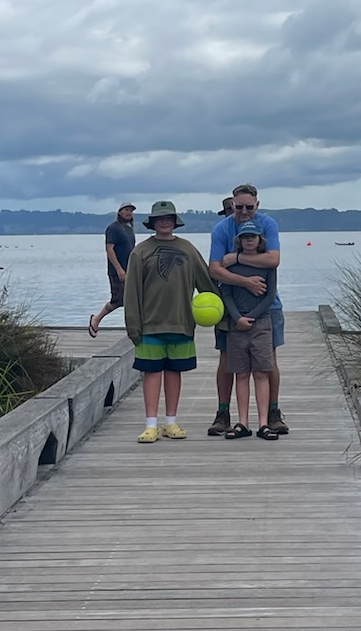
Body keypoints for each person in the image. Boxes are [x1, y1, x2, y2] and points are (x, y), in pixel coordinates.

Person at [123, 200, 219, 443]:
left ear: (175, 221)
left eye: (169, 218)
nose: (164, 221)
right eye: (159, 218)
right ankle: (151, 424)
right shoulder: (140, 251)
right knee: (152, 373)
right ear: (153, 222)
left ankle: (171, 422)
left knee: (175, 372)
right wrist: (133, 324)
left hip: (181, 322)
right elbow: (131, 291)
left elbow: (206, 285)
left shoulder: (188, 249)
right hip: (149, 324)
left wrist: (224, 311)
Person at [206, 183, 288, 436]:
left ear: (257, 205)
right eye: (238, 206)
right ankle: (223, 413)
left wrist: (238, 259)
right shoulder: (222, 228)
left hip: (267, 307)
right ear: (232, 204)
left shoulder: (268, 224)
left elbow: (273, 260)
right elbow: (215, 268)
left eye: (249, 207)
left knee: (268, 360)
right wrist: (245, 281)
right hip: (232, 307)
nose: (243, 211)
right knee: (227, 359)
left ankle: (272, 413)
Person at [219, 220, 279, 440]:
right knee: (241, 374)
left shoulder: (268, 266)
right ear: (240, 241)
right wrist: (237, 318)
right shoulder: (231, 266)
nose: (249, 240)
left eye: (253, 237)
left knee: (261, 373)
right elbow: (226, 294)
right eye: (245, 237)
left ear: (259, 240)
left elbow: (270, 295)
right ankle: (242, 422)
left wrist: (252, 317)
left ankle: (263, 423)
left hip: (261, 324)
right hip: (237, 326)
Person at [88, 200, 137, 337]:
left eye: (131, 211)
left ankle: (135, 327)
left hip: (130, 270)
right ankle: (96, 319)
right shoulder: (113, 228)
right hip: (117, 271)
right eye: (126, 210)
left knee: (133, 299)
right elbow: (109, 249)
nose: (129, 213)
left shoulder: (129, 229)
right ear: (120, 212)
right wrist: (119, 270)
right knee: (118, 300)